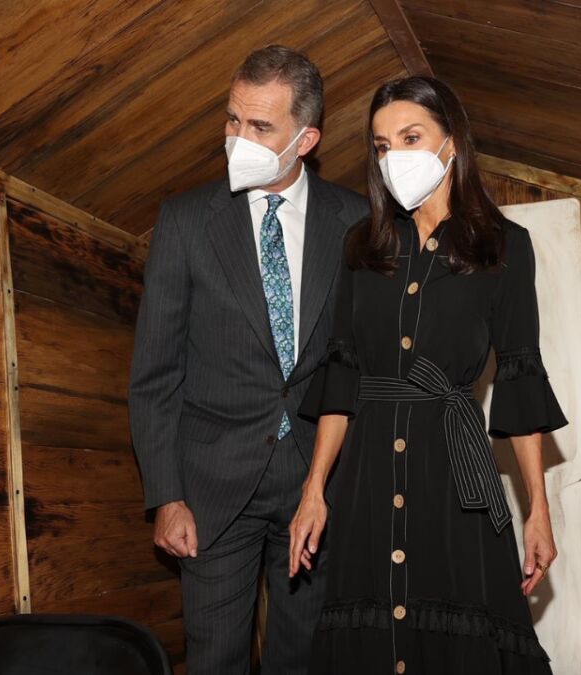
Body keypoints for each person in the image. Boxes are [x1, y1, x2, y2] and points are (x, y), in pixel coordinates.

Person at [288, 75, 567, 674]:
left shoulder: (504, 247)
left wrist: (537, 511)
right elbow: (342, 374)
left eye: (411, 137)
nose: (395, 156)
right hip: (366, 477)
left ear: (452, 142)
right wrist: (314, 492)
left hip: (453, 478)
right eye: (383, 145)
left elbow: (520, 378)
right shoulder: (361, 247)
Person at [129, 45, 368, 675]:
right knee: (215, 659)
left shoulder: (357, 223)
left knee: (305, 657)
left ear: (306, 139)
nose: (240, 138)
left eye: (261, 126)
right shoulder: (185, 221)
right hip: (211, 486)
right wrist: (167, 496)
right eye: (233, 120)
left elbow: (360, 366)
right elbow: (154, 375)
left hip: (318, 481)